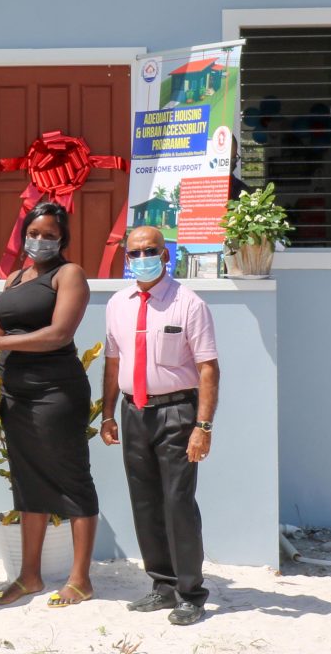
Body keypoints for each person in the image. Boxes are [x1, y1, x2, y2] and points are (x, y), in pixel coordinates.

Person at [0, 201, 98, 608]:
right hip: (15, 394)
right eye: (34, 233)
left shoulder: (69, 275)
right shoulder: (14, 278)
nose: (39, 241)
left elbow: (58, 334)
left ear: (62, 239)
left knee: (72, 477)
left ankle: (80, 580)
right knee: (26, 481)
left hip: (56, 391)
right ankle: (29, 577)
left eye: (49, 235)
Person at [100, 225, 220, 626]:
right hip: (135, 413)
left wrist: (203, 425)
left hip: (177, 414)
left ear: (165, 254)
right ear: (126, 257)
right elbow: (113, 362)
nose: (141, 258)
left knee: (178, 502)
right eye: (133, 253)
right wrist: (107, 414)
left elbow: (207, 369)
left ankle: (190, 592)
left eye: (149, 250)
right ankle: (163, 585)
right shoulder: (117, 303)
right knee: (145, 501)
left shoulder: (189, 304)